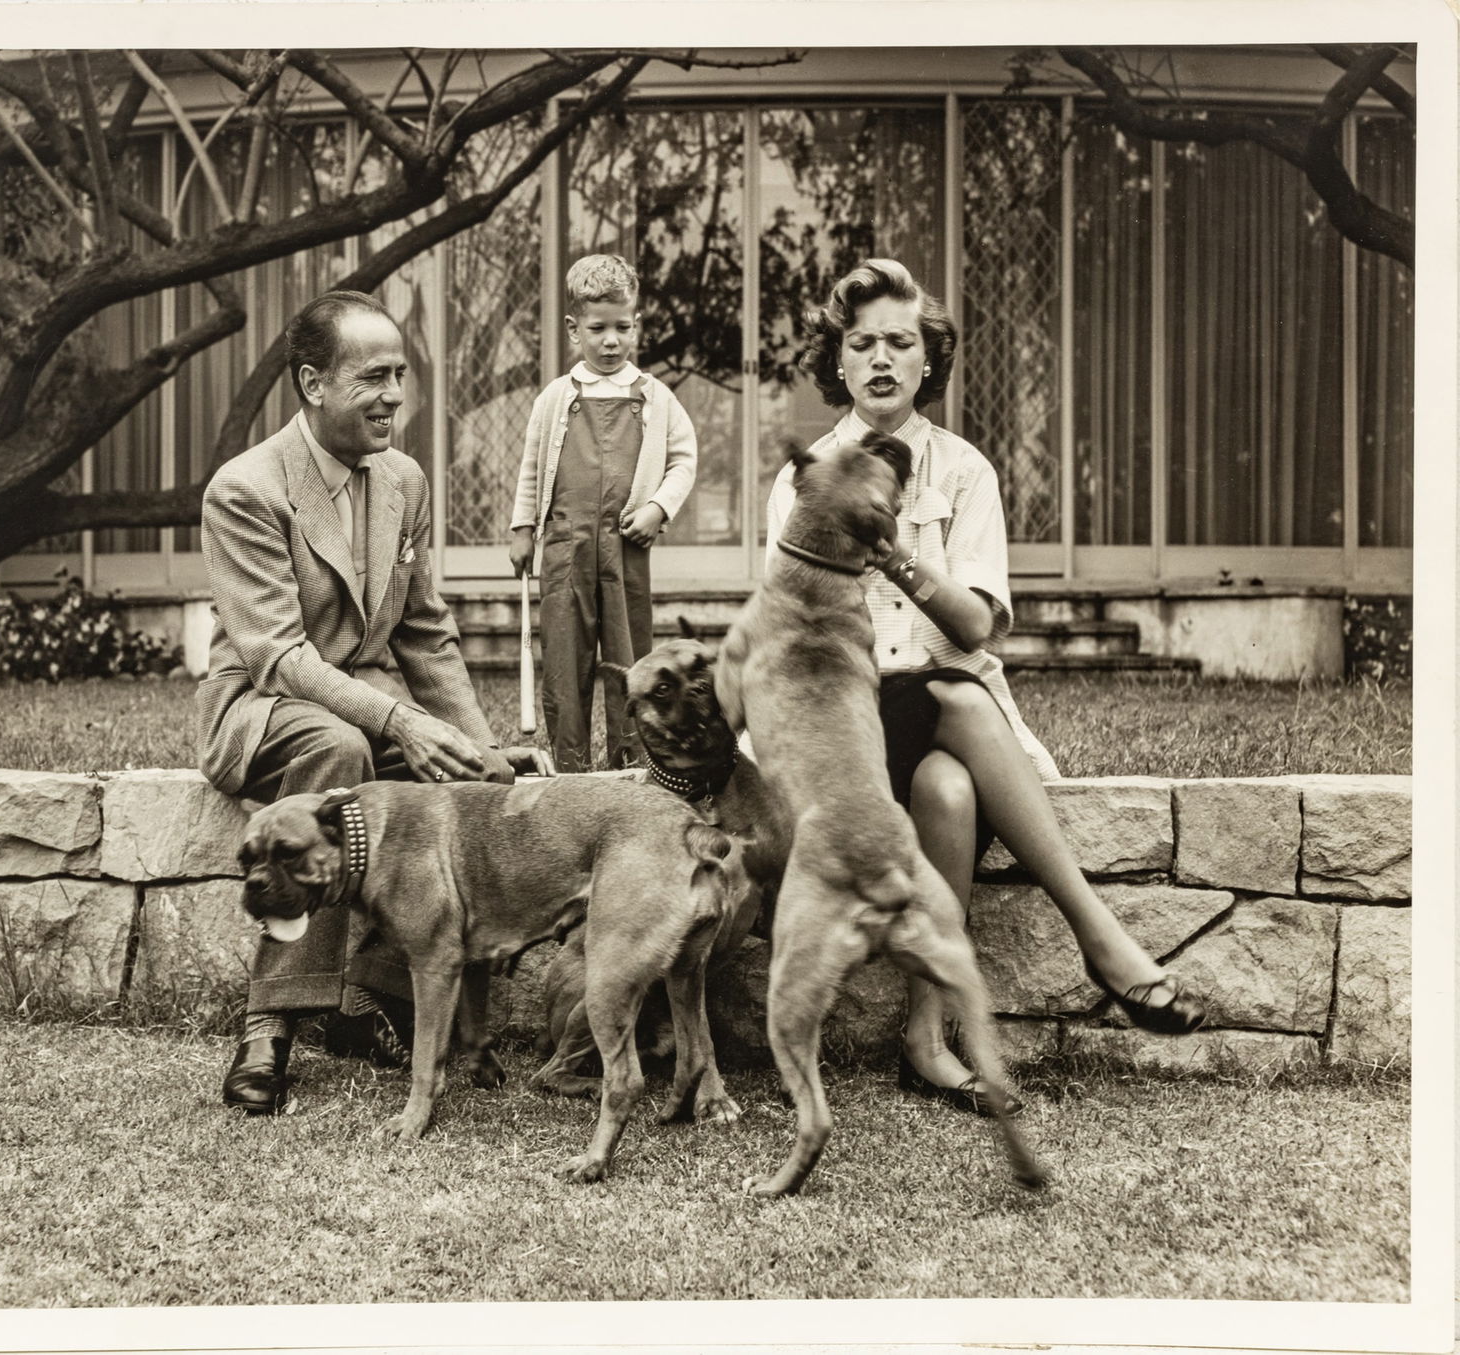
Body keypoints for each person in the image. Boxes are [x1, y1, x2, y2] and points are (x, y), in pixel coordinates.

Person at [766, 258, 1205, 1115]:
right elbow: (789, 640)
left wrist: (892, 550)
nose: (883, 358)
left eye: (901, 341)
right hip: (842, 732)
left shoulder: (965, 472)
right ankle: (1101, 937)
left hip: (929, 728)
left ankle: (925, 1041)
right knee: (959, 696)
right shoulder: (802, 478)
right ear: (841, 363)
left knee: (949, 786)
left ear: (928, 359)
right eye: (863, 344)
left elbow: (975, 626)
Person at [198, 289, 544, 1114]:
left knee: (462, 785)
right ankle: (271, 1025)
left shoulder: (405, 479)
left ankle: (376, 999)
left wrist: (478, 752)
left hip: (369, 701)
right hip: (264, 708)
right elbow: (279, 655)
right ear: (313, 383)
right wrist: (399, 722)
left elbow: (425, 632)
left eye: (400, 375)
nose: (395, 395)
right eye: (374, 377)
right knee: (341, 755)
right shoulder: (244, 489)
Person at [508, 254, 698, 772]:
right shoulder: (555, 399)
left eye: (622, 327)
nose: (611, 341)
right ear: (574, 329)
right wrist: (523, 526)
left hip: (625, 546)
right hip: (566, 545)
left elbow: (684, 461)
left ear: (636, 323)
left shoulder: (654, 398)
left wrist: (659, 508)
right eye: (598, 329)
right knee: (565, 662)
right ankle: (569, 767)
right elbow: (532, 465)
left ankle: (631, 762)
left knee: (629, 658)